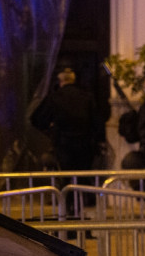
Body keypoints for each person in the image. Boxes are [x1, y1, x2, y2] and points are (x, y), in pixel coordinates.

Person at [31, 63, 101, 215]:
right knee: (81, 182)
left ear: (60, 80)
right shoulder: (86, 97)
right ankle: (79, 214)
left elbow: (36, 119)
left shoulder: (55, 97)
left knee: (65, 182)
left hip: (63, 146)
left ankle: (66, 215)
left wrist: (50, 130)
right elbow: (97, 123)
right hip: (84, 148)